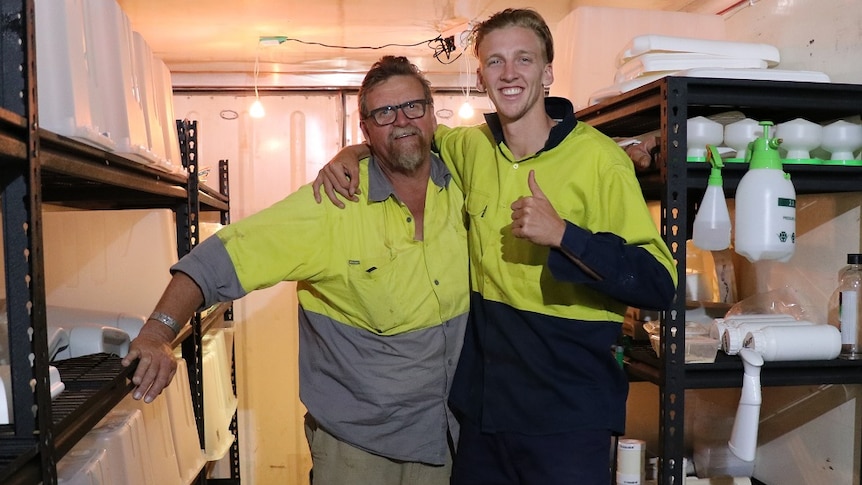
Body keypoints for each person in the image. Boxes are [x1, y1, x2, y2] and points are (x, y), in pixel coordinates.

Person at [312, 8, 677, 485]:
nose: (509, 73)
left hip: (566, 417)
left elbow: (659, 282)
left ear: (547, 73)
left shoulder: (600, 161)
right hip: (484, 415)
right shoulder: (472, 148)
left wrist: (564, 235)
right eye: (495, 61)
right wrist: (348, 152)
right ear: (481, 75)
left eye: (523, 59)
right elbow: (404, 131)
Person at [122, 55, 469, 485]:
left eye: (413, 106)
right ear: (365, 128)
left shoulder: (467, 183)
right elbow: (217, 260)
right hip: (359, 454)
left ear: (433, 115)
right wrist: (158, 333)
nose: (401, 120)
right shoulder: (332, 204)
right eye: (384, 112)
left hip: (452, 441)